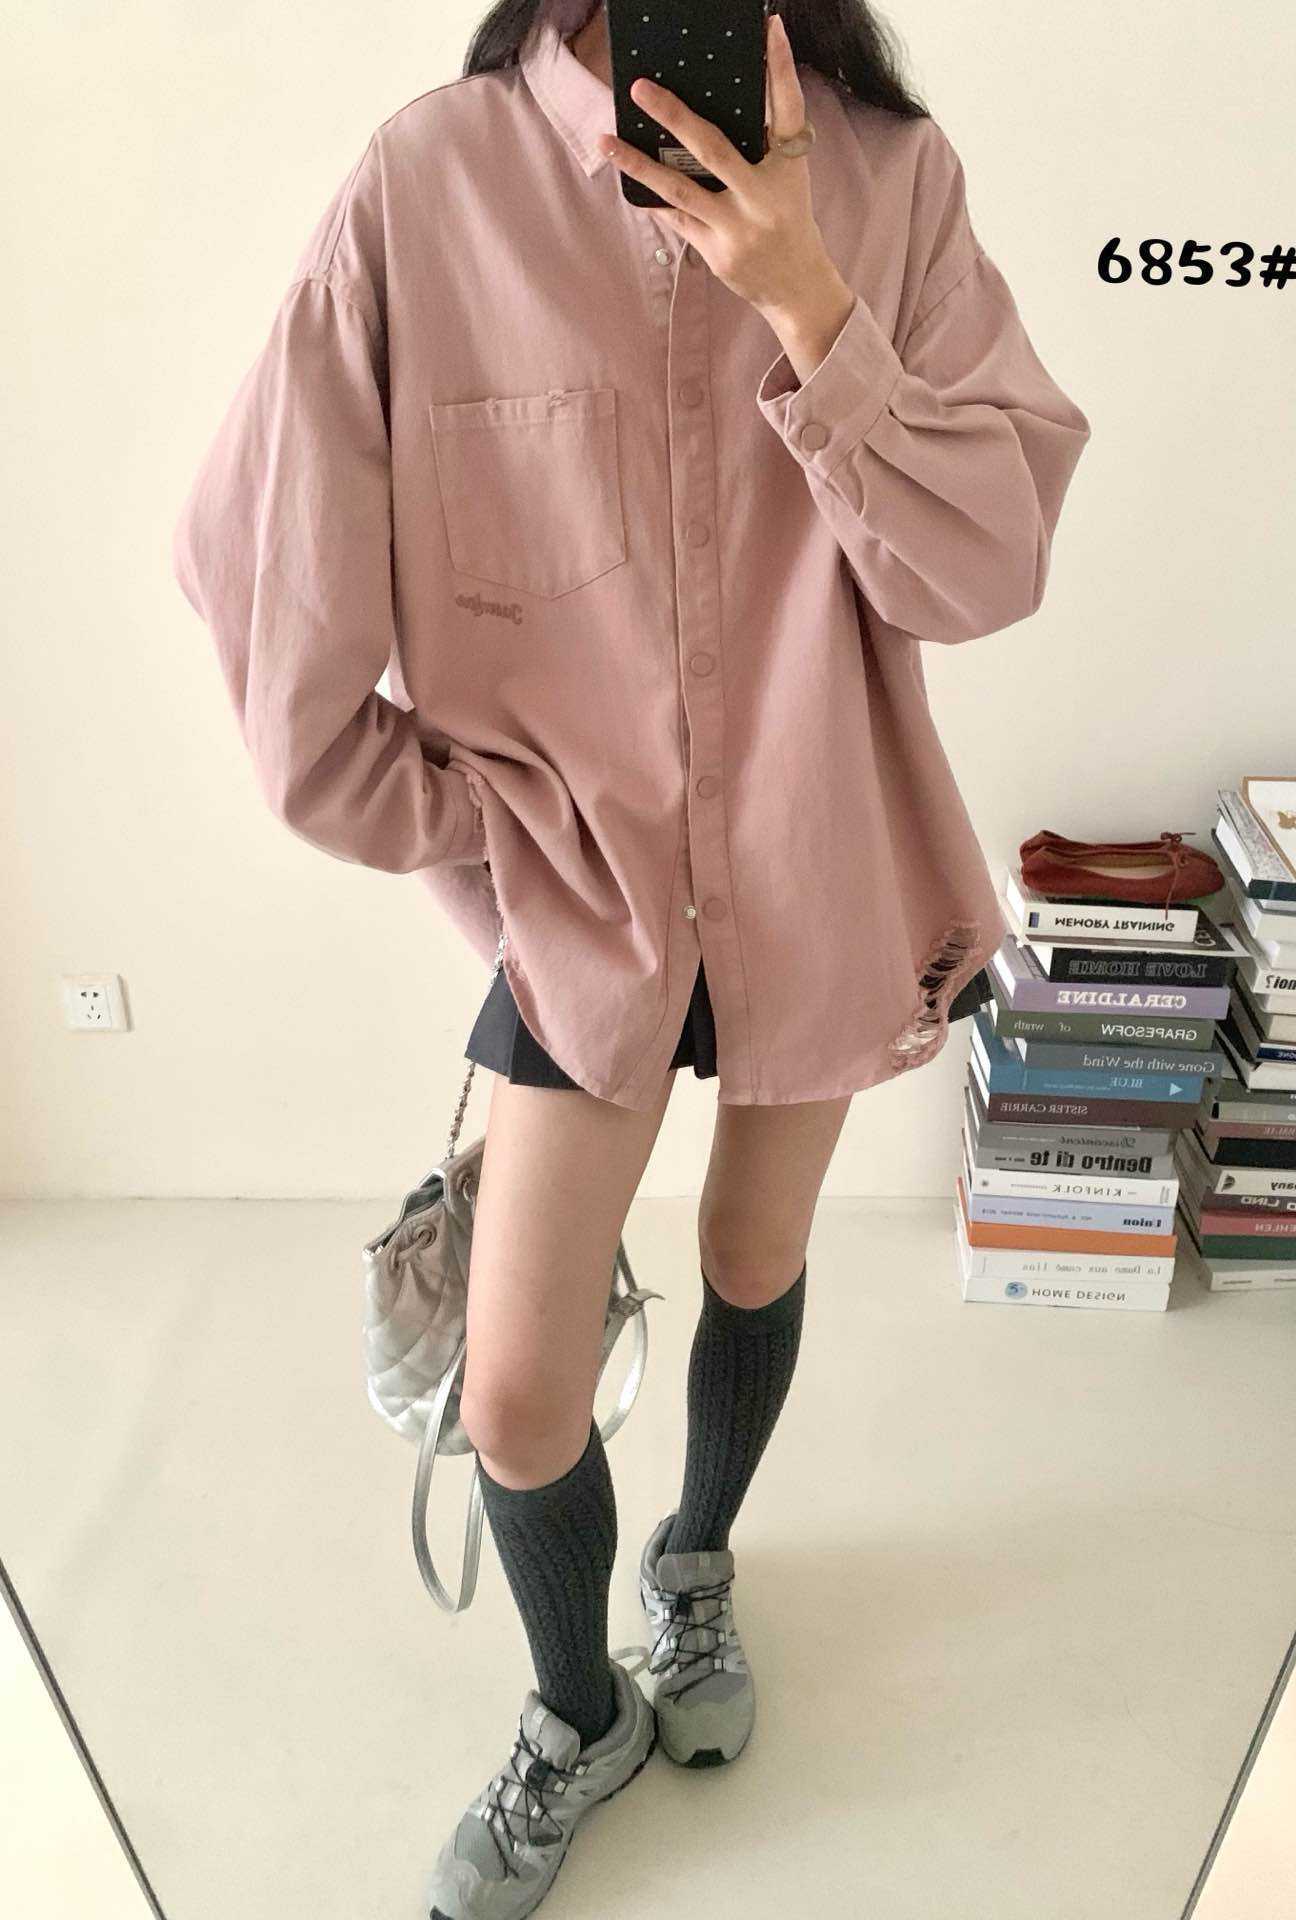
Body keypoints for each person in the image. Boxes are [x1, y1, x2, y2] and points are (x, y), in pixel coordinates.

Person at [170, 2, 1091, 1912]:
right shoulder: (431, 181)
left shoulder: (892, 180)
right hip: (578, 900)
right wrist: (482, 829)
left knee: (753, 1253)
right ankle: (575, 1711)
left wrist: (812, 306)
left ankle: (697, 1568)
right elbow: (257, 579)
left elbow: (983, 568)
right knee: (516, 1394)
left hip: (820, 851)